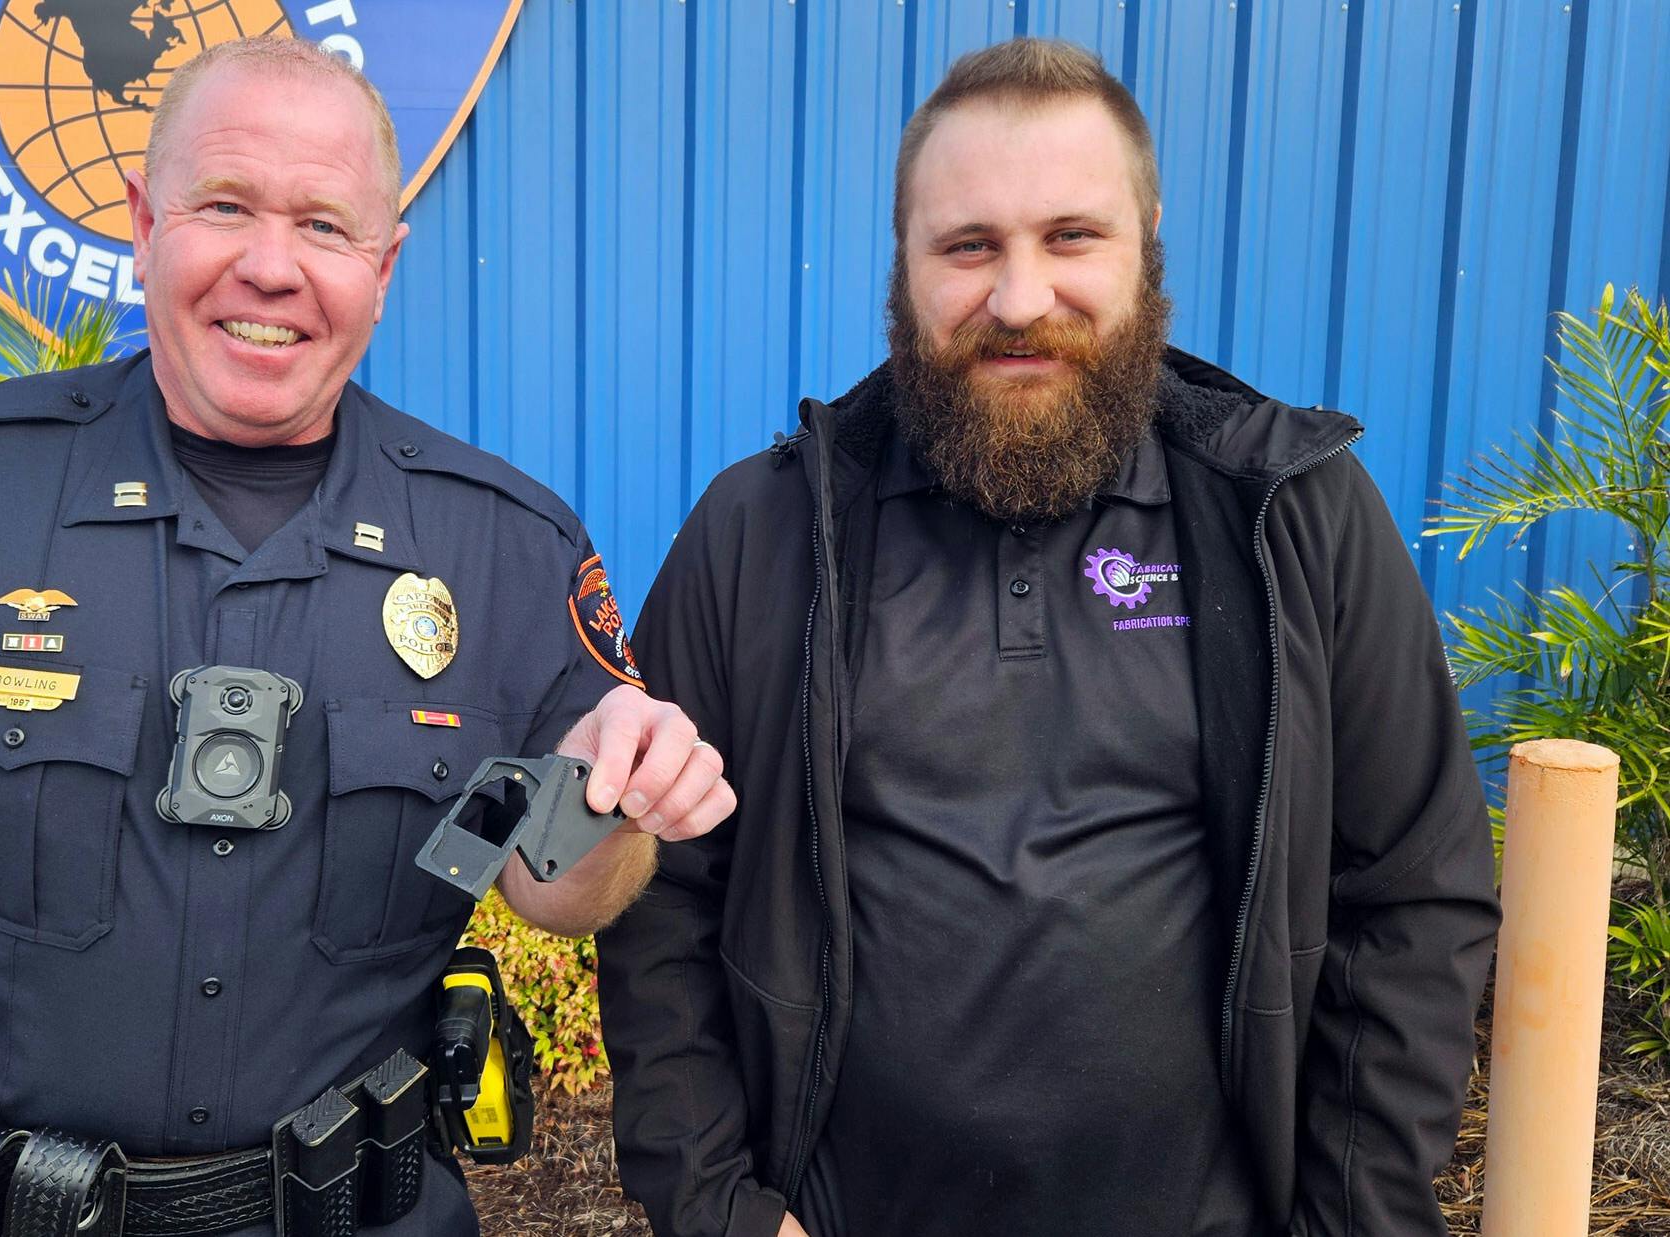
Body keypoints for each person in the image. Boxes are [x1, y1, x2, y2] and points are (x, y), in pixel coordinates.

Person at [0, 37, 732, 1237]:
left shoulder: (507, 550)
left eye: (325, 227)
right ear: (142, 220)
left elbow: (560, 893)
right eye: (225, 205)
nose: (272, 267)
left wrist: (609, 799)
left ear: (385, 265)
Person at [597, 38, 1497, 1237]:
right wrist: (721, 1214)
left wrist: (1351, 1219)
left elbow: (1411, 901)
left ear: (1147, 241)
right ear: (903, 263)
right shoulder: (758, 538)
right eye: (968, 246)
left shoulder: (1292, 517)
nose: (1019, 299)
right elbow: (662, 905)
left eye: (1070, 236)